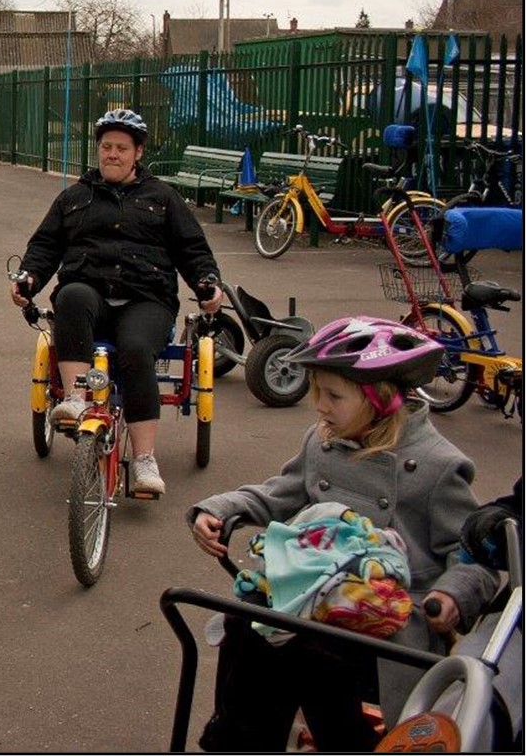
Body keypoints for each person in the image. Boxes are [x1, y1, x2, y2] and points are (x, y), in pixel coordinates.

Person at [187, 316, 499, 752]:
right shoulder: (325, 440)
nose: (320, 407)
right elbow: (283, 492)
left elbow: (472, 554)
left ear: (381, 398)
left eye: (333, 395)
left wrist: (451, 596)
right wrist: (220, 509)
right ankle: (239, 740)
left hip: (387, 619)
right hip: (316, 596)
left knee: (302, 648)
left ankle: (340, 743)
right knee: (248, 620)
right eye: (318, 393)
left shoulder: (436, 465)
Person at [9, 108, 225, 497]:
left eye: (121, 148)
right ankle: (75, 399)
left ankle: (144, 460)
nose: (111, 154)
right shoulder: (74, 197)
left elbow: (192, 250)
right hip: (90, 296)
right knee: (71, 295)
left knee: (137, 349)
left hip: (147, 300)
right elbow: (45, 247)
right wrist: (29, 278)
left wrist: (209, 284)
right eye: (106, 147)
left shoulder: (163, 198)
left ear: (137, 152)